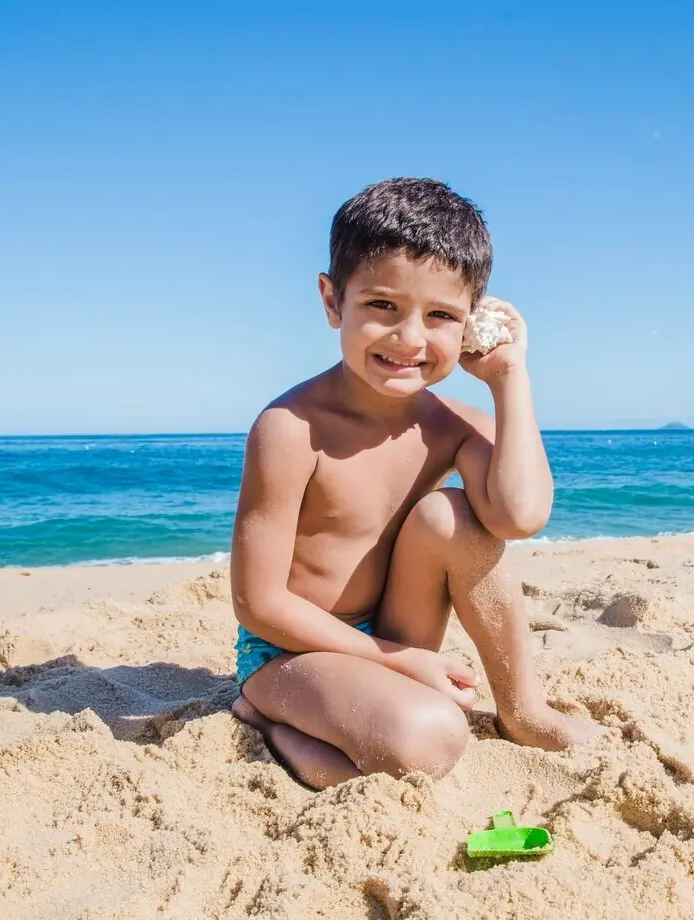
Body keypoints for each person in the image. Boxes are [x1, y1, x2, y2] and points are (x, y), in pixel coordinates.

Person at [229, 177, 598, 789]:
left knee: (452, 515)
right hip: (289, 653)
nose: (409, 339)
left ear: (470, 325)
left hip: (396, 636)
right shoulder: (290, 429)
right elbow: (259, 604)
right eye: (382, 306)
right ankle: (269, 722)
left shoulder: (451, 425)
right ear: (331, 301)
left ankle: (523, 710)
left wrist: (508, 379)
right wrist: (401, 662)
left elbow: (519, 516)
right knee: (431, 737)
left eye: (441, 317)